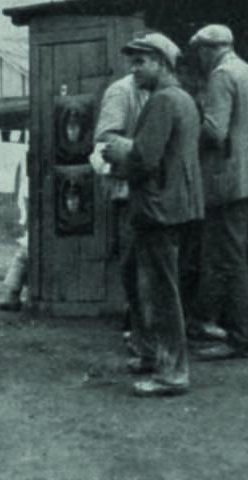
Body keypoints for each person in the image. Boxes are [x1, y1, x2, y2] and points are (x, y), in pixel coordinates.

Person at [101, 32, 204, 397]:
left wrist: (118, 155)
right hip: (175, 205)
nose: (134, 69)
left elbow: (146, 158)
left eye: (140, 61)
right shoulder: (184, 99)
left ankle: (172, 373)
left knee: (162, 292)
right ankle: (155, 358)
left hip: (158, 208)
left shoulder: (161, 101)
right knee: (157, 286)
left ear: (161, 62)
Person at [190, 24, 248, 360]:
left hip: (229, 180)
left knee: (232, 258)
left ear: (208, 50)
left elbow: (214, 131)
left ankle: (242, 339)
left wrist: (188, 130)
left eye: (200, 52)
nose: (200, 59)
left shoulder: (221, 76)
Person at [92, 72, 148, 337]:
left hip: (154, 189)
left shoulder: (164, 91)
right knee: (133, 259)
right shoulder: (122, 91)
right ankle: (136, 320)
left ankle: (144, 323)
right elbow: (102, 147)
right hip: (129, 191)